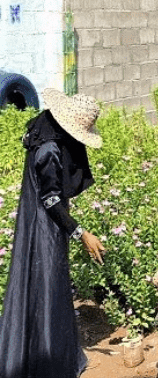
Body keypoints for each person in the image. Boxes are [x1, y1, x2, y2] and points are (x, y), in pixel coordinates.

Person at [0, 89, 107, 378]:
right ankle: (47, 364)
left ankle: (47, 354)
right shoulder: (49, 150)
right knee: (47, 288)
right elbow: (50, 200)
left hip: (42, 223)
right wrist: (82, 233)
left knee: (43, 286)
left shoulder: (45, 132)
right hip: (44, 227)